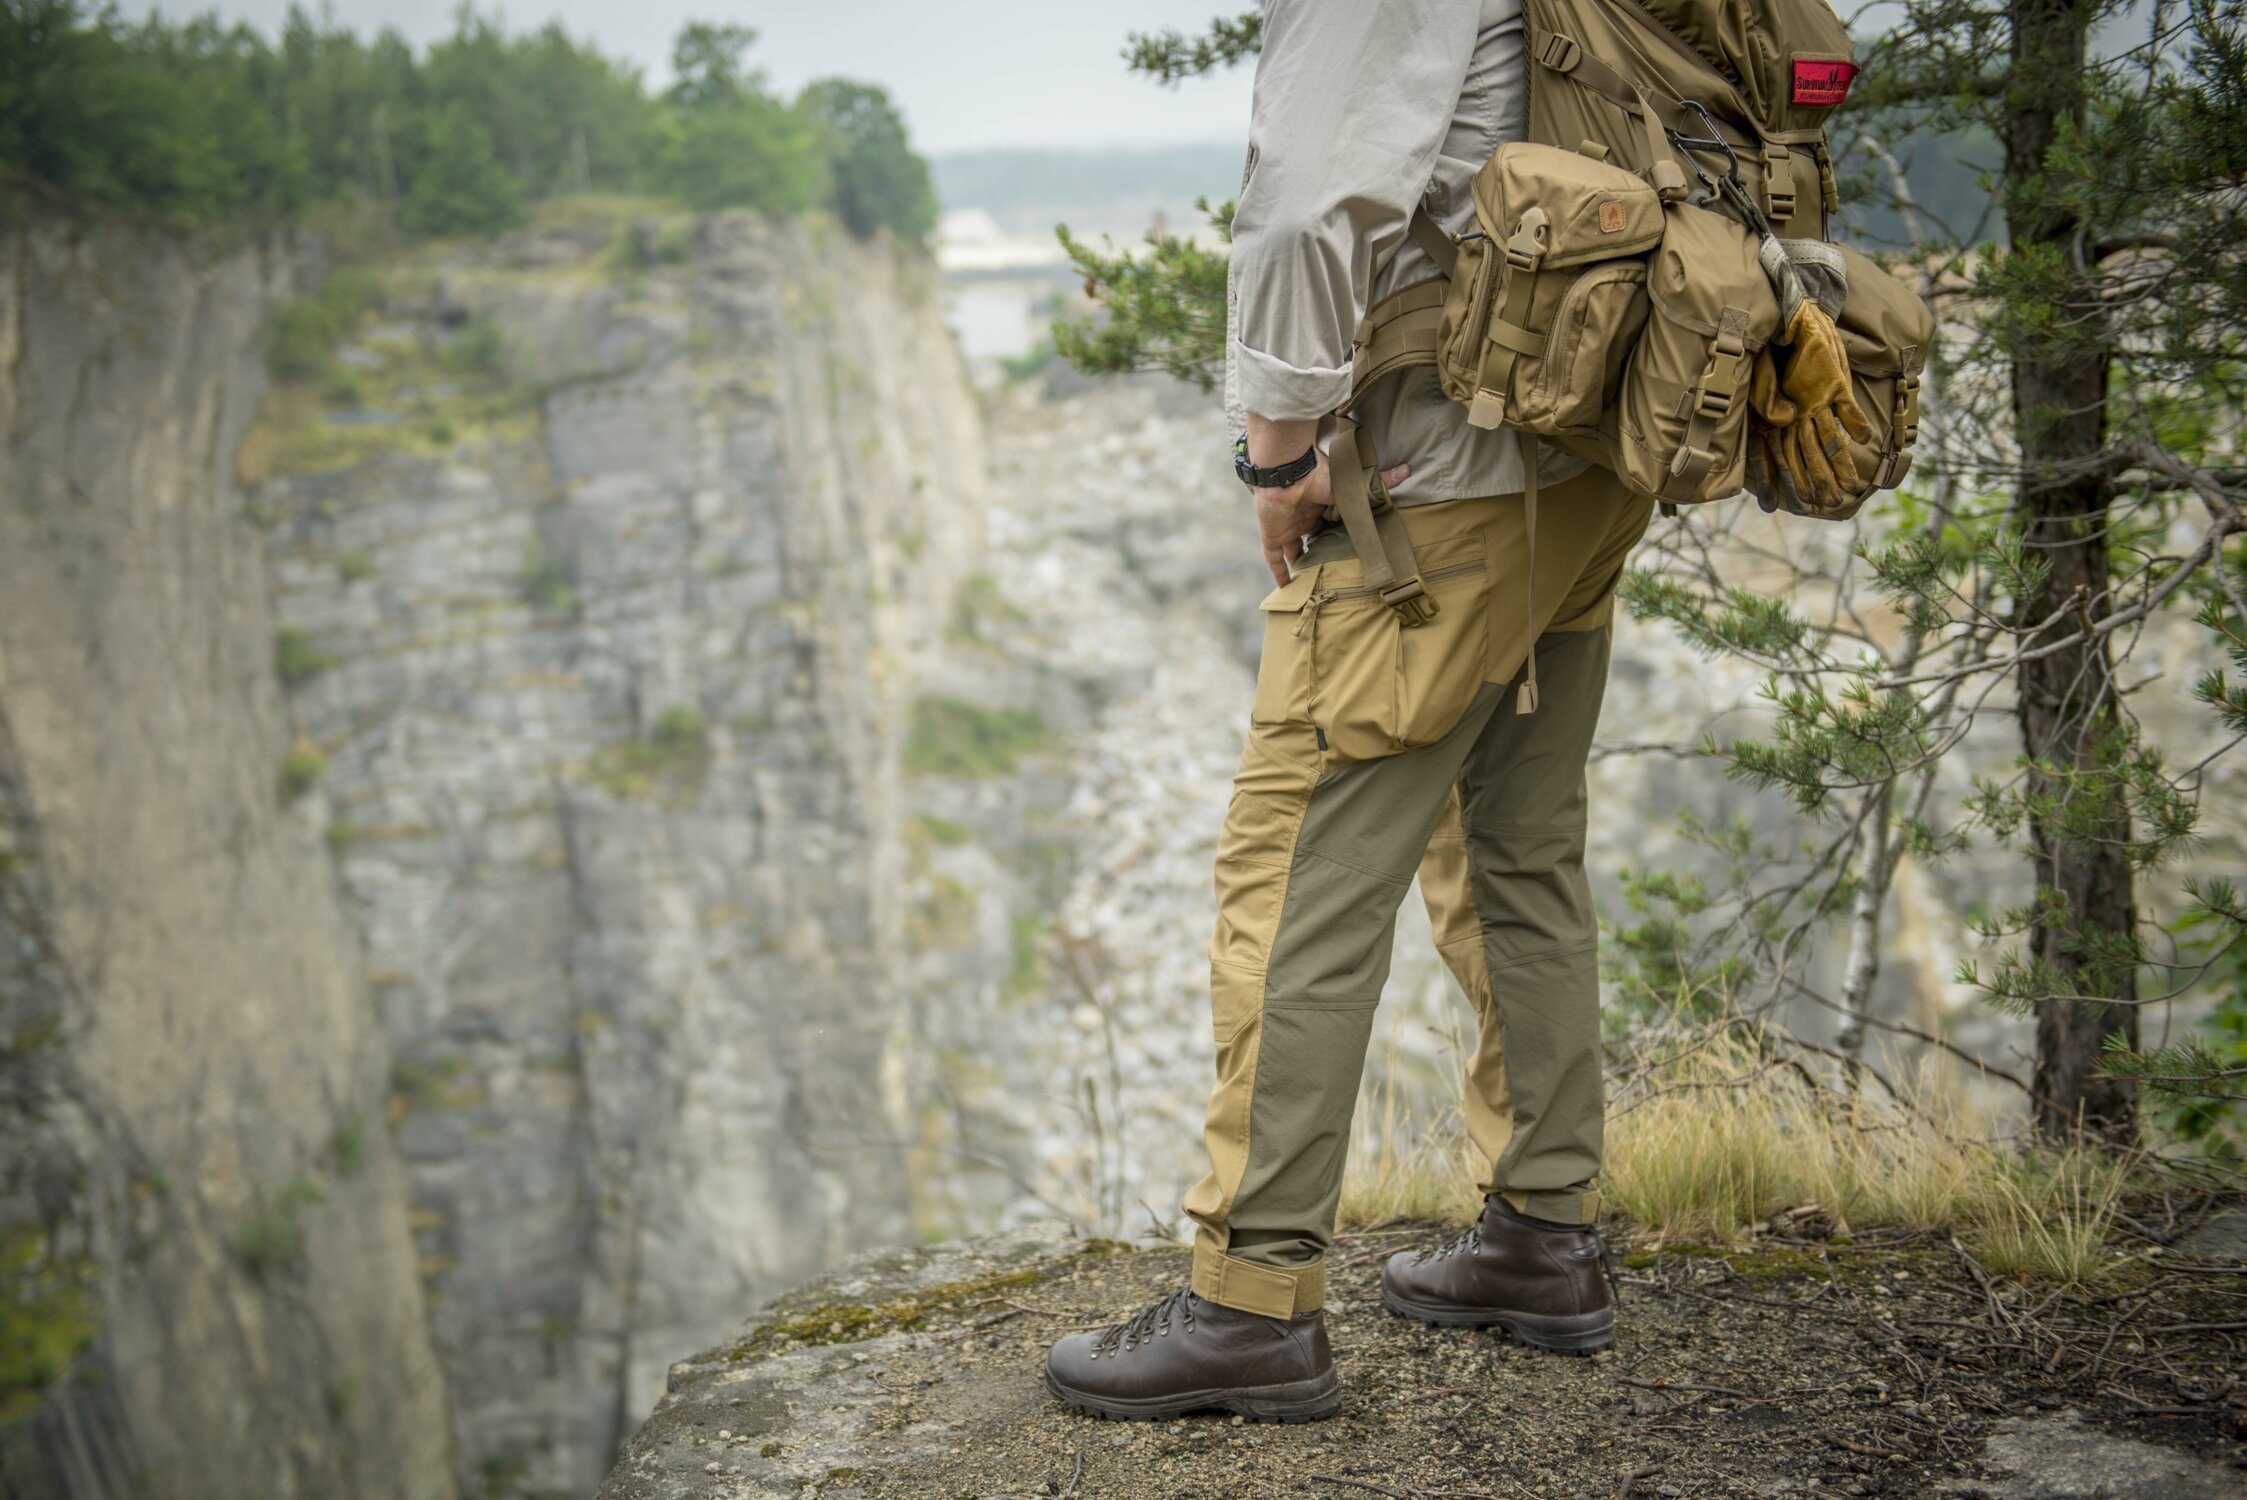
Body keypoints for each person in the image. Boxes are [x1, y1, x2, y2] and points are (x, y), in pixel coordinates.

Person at [1043, 0, 1654, 1423]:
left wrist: (1275, 453)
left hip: (1437, 489)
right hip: (1578, 460)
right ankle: (1542, 1235)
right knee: (1518, 844)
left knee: (1296, 877)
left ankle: (1249, 1305)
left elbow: (1313, 208)